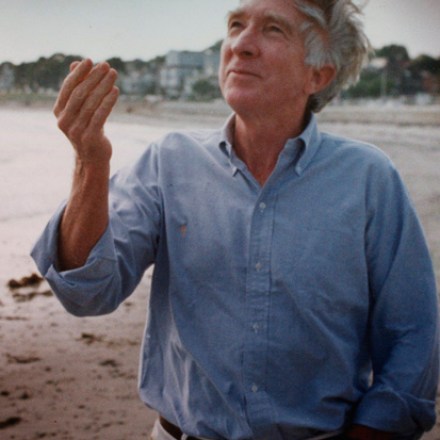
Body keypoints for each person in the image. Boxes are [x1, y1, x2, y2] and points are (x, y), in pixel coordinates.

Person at [31, 0, 439, 439]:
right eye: (236, 24)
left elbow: (412, 334)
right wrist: (90, 162)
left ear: (318, 75)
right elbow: (87, 292)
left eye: (273, 29)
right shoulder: (169, 161)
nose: (241, 44)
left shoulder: (368, 178)